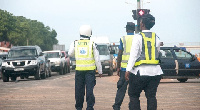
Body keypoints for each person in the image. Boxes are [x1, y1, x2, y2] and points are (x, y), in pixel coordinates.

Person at [125, 14, 163, 110]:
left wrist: (128, 70)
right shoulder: (156, 37)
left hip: (140, 73)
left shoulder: (138, 37)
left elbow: (133, 55)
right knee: (151, 97)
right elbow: (157, 52)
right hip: (155, 73)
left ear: (142, 24)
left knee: (134, 95)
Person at [68, 25, 102, 110]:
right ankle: (90, 107)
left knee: (79, 90)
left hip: (79, 71)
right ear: (90, 33)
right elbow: (97, 59)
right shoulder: (92, 44)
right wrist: (100, 71)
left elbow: (70, 54)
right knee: (89, 90)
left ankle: (79, 107)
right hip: (90, 71)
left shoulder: (75, 43)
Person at [113, 22, 135, 110]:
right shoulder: (137, 38)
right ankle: (133, 107)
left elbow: (120, 54)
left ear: (126, 29)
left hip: (124, 69)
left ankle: (117, 106)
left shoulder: (123, 39)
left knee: (121, 89)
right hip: (134, 68)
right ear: (134, 29)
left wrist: (118, 67)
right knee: (133, 91)